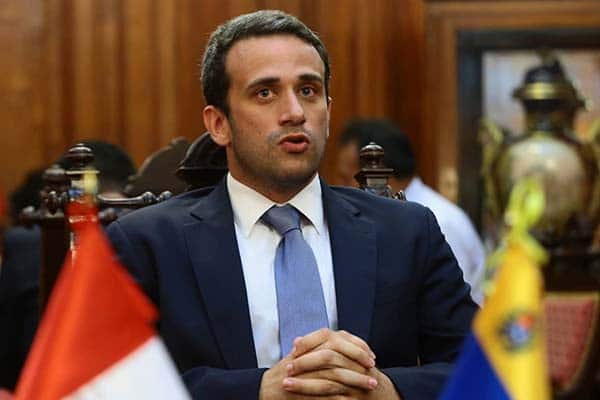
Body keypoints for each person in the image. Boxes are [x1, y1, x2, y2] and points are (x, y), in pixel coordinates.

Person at [106, 10, 477, 400]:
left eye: (308, 91)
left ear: (328, 112)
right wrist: (258, 390)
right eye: (265, 93)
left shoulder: (406, 231)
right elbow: (112, 386)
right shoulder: (146, 243)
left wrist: (387, 389)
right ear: (219, 124)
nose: (295, 113)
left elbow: (483, 369)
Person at [337, 119, 486, 305]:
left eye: (346, 178)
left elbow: (448, 305)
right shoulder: (386, 216)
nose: (341, 188)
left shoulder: (440, 221)